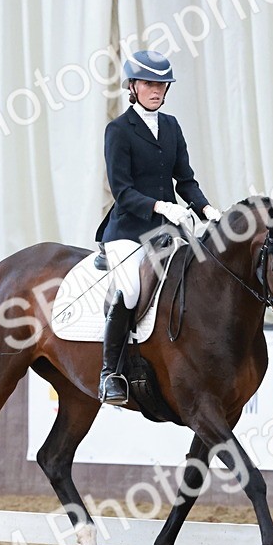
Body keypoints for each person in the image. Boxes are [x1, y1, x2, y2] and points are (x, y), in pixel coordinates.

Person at [93, 49, 222, 405]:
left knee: (200, 275)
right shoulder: (118, 130)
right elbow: (122, 190)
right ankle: (110, 374)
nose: (156, 90)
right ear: (132, 87)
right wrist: (163, 206)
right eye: (149, 83)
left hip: (168, 231)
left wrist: (207, 209)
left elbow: (185, 180)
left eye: (162, 84)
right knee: (132, 291)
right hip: (129, 231)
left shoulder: (172, 126)